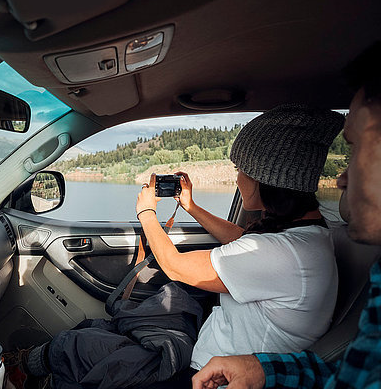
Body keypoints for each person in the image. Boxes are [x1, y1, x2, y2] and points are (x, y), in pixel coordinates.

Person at [192, 41, 381, 389]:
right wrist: (262, 370)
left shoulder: (289, 248)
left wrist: (146, 213)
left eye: (354, 147)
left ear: (269, 180)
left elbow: (182, 266)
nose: (341, 177)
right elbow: (344, 376)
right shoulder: (295, 238)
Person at [136, 104, 343, 378]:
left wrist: (146, 212)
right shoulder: (308, 235)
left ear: (266, 179)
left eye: (240, 169)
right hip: (218, 365)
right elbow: (244, 240)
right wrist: (191, 207)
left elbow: (175, 266)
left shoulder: (282, 254)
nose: (237, 178)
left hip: (215, 379)